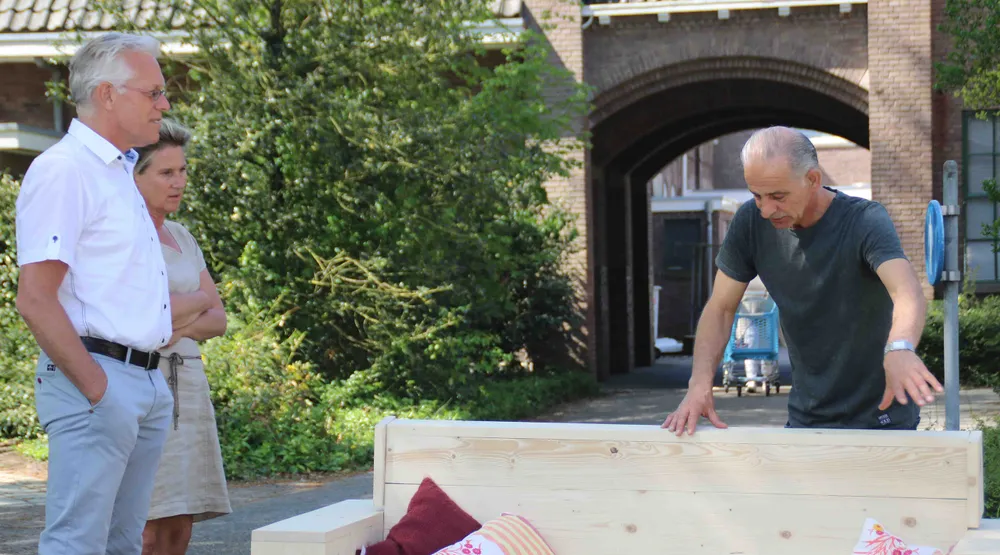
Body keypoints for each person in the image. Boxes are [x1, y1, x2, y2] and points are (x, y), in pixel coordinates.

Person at [662, 126, 944, 435]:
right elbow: (721, 308)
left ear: (813, 179)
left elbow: (906, 291)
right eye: (757, 196)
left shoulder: (865, 220)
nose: (767, 210)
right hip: (807, 417)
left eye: (778, 196)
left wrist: (900, 347)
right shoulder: (750, 222)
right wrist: (699, 383)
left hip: (884, 415)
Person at [14, 33, 174, 554]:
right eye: (153, 92)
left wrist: (141, 388)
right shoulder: (65, 170)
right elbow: (35, 298)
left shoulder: (119, 171)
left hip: (141, 380)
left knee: (121, 543)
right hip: (98, 381)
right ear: (107, 94)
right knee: (77, 544)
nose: (164, 104)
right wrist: (99, 389)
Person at [133, 119, 232, 555]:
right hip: (144, 380)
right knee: (146, 521)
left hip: (188, 383)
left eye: (183, 171)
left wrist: (176, 322)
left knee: (182, 518)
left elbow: (218, 318)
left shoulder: (181, 236)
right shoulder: (123, 236)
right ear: (135, 176)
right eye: (166, 173)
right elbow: (143, 318)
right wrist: (193, 304)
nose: (179, 182)